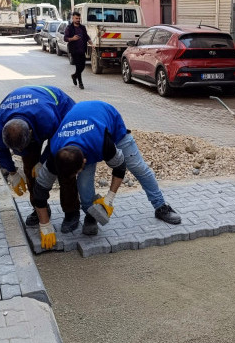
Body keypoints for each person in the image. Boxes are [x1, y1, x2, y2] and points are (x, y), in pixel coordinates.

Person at [32, 100, 181, 249]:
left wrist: (109, 199)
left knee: (138, 168)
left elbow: (120, 167)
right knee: (83, 185)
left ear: (84, 161)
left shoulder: (103, 143)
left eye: (79, 170)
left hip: (109, 125)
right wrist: (45, 225)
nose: (80, 172)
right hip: (84, 132)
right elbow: (39, 192)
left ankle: (161, 206)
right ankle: (91, 215)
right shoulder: (55, 153)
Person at [0, 85, 82, 233]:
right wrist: (11, 172)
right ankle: (40, 209)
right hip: (30, 118)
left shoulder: (47, 118)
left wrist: (43, 161)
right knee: (30, 169)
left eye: (22, 148)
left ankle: (71, 212)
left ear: (30, 133)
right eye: (16, 150)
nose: (20, 152)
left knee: (64, 165)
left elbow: (58, 141)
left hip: (60, 110)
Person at [64, 11, 91, 89]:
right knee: (78, 66)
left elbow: (86, 36)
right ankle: (81, 83)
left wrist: (90, 42)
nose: (78, 20)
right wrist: (72, 38)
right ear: (73, 18)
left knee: (82, 66)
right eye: (76, 18)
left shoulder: (82, 27)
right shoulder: (69, 27)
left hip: (82, 50)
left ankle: (74, 76)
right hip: (74, 50)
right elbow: (65, 38)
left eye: (79, 18)